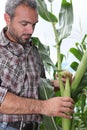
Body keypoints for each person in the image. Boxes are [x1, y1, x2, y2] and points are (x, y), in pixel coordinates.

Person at [0, 0, 74, 130]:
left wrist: (54, 84)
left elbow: (36, 86)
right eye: (24, 24)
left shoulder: (33, 50)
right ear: (7, 18)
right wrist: (44, 106)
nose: (31, 30)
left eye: (34, 24)